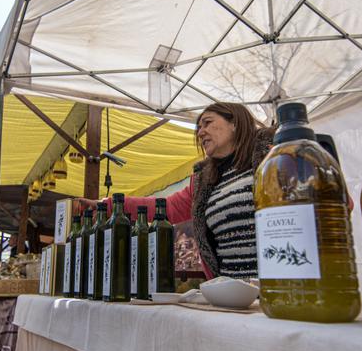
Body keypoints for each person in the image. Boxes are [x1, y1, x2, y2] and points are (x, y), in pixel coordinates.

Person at [79, 102, 273, 280]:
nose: (200, 132)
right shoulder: (203, 181)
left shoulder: (272, 155)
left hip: (277, 285)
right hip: (232, 295)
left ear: (235, 123)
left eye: (207, 123)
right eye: (198, 127)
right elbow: (169, 207)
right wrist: (110, 205)